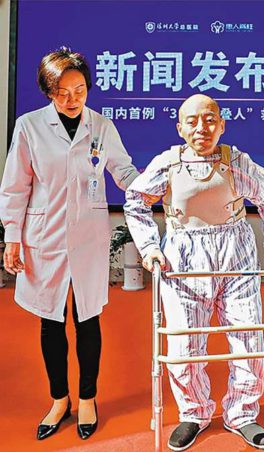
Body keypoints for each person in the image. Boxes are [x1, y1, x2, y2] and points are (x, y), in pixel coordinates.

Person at [124, 94, 264, 451]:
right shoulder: (168, 163)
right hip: (183, 258)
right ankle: (194, 413)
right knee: (184, 343)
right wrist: (150, 247)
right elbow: (135, 201)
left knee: (248, 337)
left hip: (236, 253)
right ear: (180, 128)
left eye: (210, 119)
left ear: (222, 125)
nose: (202, 128)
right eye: (193, 121)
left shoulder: (236, 162)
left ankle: (242, 414)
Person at [0, 47, 139, 440]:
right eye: (62, 92)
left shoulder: (102, 126)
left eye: (79, 90)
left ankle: (88, 398)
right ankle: (59, 400)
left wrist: (154, 186)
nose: (72, 99)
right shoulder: (29, 127)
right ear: (49, 92)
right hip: (43, 236)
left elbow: (124, 171)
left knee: (87, 317)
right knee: (51, 319)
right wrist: (12, 236)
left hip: (88, 237)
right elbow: (15, 186)